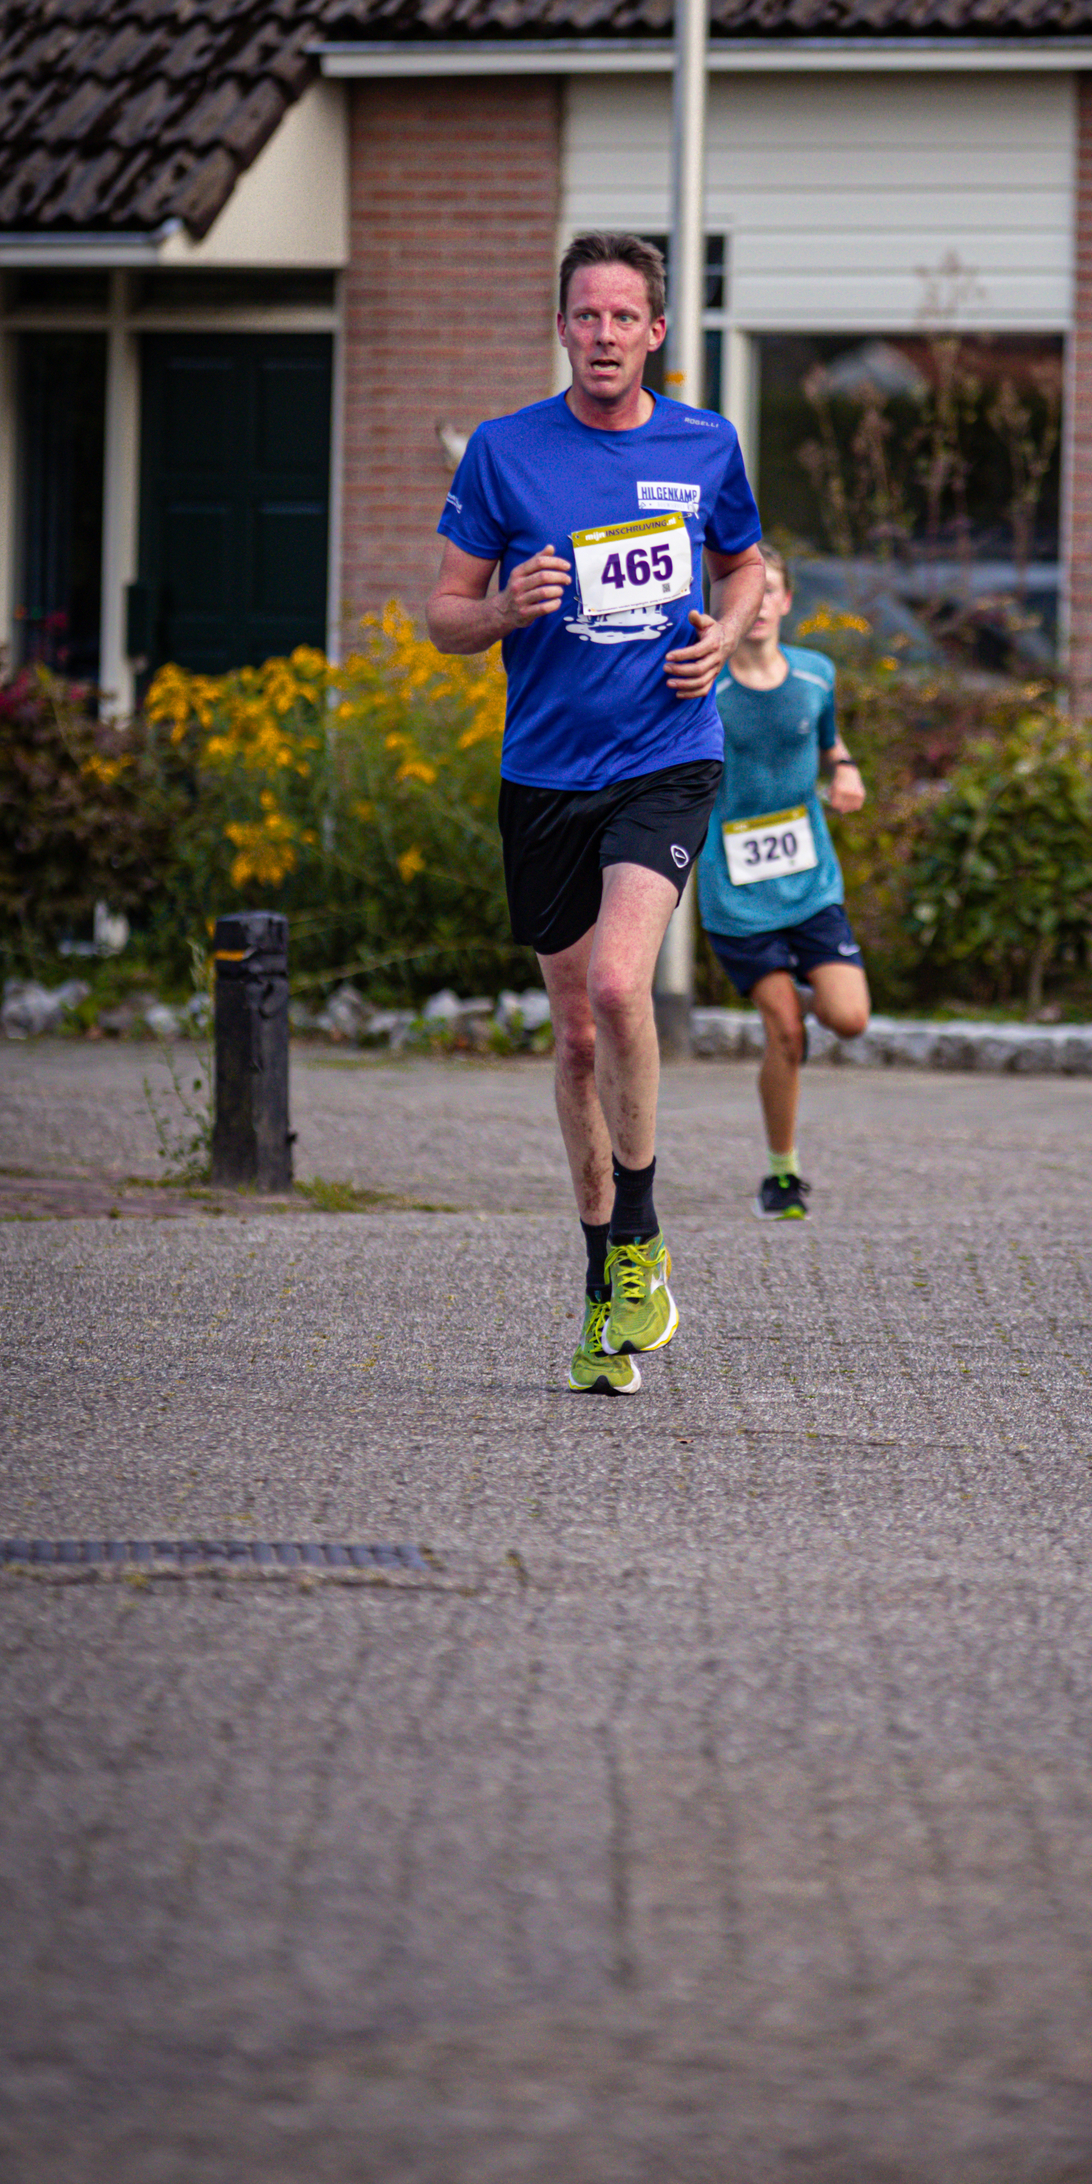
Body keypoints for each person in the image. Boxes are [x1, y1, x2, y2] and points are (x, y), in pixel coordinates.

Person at [427, 232, 765, 1393]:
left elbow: (748, 564)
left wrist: (726, 632)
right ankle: (598, 1290)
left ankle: (644, 1234)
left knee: (622, 986)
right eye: (585, 317)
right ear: (561, 327)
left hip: (667, 756)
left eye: (625, 318)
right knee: (574, 1038)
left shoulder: (703, 441)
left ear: (656, 332)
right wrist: (504, 609)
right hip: (544, 776)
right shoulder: (505, 453)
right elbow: (441, 616)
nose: (604, 336)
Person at [696, 543, 870, 1218]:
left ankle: (802, 984)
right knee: (786, 1032)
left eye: (771, 591)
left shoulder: (818, 674)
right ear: (725, 600)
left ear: (787, 602)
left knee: (850, 1019)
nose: (760, 605)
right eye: (748, 591)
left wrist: (847, 769)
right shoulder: (705, 683)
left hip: (810, 881)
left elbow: (830, 741)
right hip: (737, 891)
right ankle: (783, 1175)